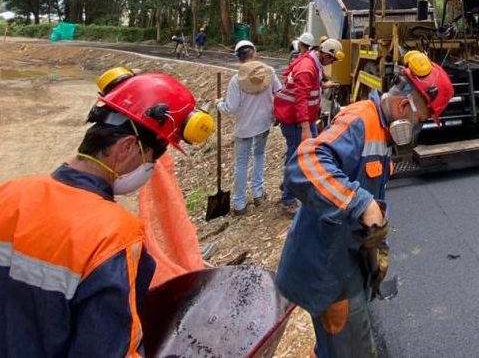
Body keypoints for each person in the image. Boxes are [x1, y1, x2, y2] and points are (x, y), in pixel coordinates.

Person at [0, 66, 214, 357]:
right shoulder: (115, 236)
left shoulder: (9, 193)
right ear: (127, 148)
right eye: (153, 158)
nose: (150, 168)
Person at [276, 50, 453, 358]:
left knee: (335, 348)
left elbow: (371, 191)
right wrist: (359, 202)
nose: (417, 127)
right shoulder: (359, 121)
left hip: (345, 260)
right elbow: (303, 163)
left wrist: (376, 249)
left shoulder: (382, 132)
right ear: (404, 106)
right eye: (422, 120)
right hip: (327, 269)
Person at [274, 37, 344, 215]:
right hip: (296, 121)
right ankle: (288, 199)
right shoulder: (307, 68)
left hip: (303, 119)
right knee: (297, 157)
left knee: (309, 154)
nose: (332, 63)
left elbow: (310, 85)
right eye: (332, 60)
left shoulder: (313, 62)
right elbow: (301, 100)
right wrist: (305, 128)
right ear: (325, 54)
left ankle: (289, 184)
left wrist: (324, 85)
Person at [218, 40, 281, 215]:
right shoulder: (269, 72)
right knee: (259, 155)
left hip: (244, 127)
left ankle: (239, 204)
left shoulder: (236, 80)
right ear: (255, 54)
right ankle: (258, 194)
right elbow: (279, 92)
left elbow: (231, 108)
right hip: (264, 123)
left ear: (238, 59)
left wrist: (219, 104)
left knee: (241, 163)